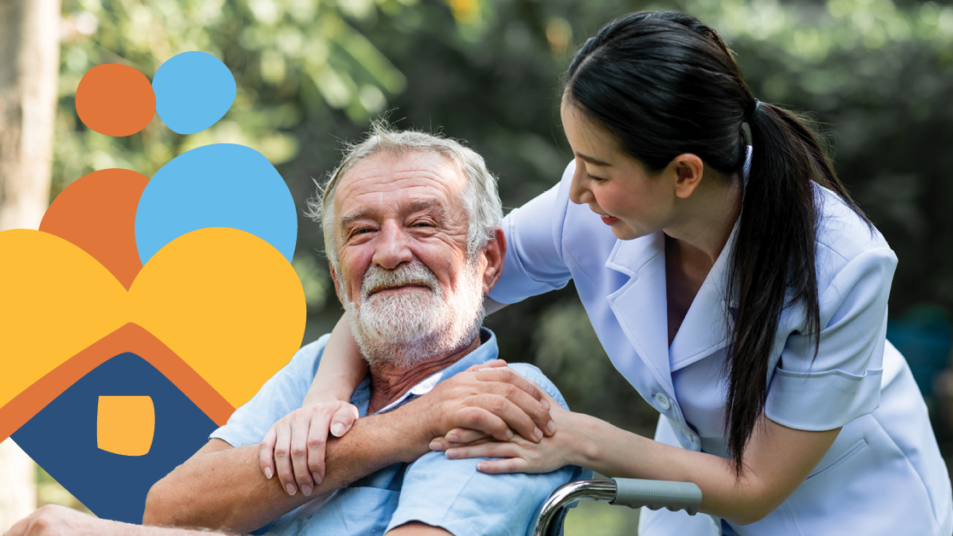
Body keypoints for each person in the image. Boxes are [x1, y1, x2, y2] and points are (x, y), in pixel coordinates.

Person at [272, 11, 953, 536]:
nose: (574, 193)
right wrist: (324, 402)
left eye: (596, 172)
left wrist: (575, 438)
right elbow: (420, 286)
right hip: (685, 493)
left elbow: (757, 486)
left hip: (844, 505)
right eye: (577, 164)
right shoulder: (589, 208)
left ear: (684, 174)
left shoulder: (843, 269)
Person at [6, 126, 579, 536]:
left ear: (489, 260)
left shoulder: (505, 398)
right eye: (360, 233)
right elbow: (170, 506)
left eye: (423, 224)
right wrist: (409, 428)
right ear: (338, 277)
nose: (389, 252)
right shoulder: (319, 368)